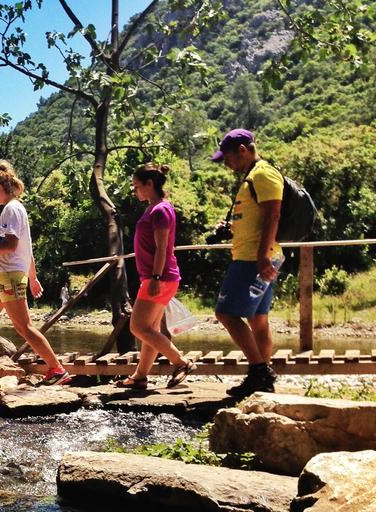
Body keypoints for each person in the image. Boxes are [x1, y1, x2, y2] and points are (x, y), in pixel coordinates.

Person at [0, 160, 71, 390]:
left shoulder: (12, 209)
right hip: (0, 278)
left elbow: (12, 245)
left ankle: (57, 369)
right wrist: (34, 277)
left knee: (23, 326)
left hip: (9, 277)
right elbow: (28, 250)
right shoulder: (10, 210)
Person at [211, 128, 282, 395]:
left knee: (226, 313)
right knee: (258, 319)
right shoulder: (253, 176)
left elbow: (272, 216)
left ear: (243, 150)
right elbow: (256, 217)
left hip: (253, 258)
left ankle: (259, 372)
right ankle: (262, 382)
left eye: (227, 158)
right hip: (256, 254)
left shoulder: (263, 174)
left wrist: (262, 255)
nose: (227, 164)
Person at [117, 163, 197, 389]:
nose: (135, 192)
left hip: (159, 277)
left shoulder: (160, 210)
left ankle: (181, 362)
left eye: (137, 187)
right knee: (149, 328)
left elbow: (163, 247)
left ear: (149, 184)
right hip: (159, 277)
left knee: (139, 327)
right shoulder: (154, 208)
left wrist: (155, 277)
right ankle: (140, 376)